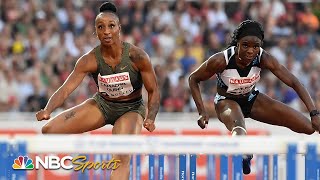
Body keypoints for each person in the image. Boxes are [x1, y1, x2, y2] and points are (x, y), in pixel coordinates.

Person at [35, 2, 160, 180]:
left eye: (111, 26)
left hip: (131, 108)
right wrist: (48, 109)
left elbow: (153, 90)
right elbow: (66, 89)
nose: (106, 31)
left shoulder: (137, 56)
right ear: (96, 31)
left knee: (121, 154)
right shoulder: (89, 60)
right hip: (103, 105)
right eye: (101, 27)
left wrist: (151, 117)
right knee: (49, 129)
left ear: (119, 28)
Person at [188, 20, 320, 175]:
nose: (250, 51)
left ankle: (245, 151)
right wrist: (201, 111)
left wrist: (314, 114)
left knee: (309, 127)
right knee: (239, 128)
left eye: (255, 46)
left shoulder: (264, 58)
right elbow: (193, 79)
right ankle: (244, 153)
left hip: (252, 99)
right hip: (226, 102)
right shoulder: (221, 60)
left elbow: (294, 82)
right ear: (237, 44)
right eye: (245, 45)